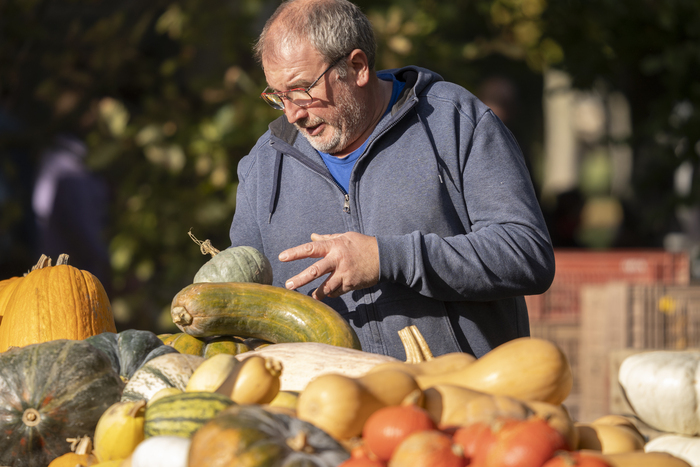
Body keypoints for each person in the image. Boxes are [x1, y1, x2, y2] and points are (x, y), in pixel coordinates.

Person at [228, 0, 555, 359]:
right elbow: (247, 300)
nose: (292, 115)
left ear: (357, 66)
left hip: (464, 400)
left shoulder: (456, 122)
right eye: (278, 96)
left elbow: (526, 254)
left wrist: (388, 258)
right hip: (325, 408)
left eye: (302, 89)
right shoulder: (263, 164)